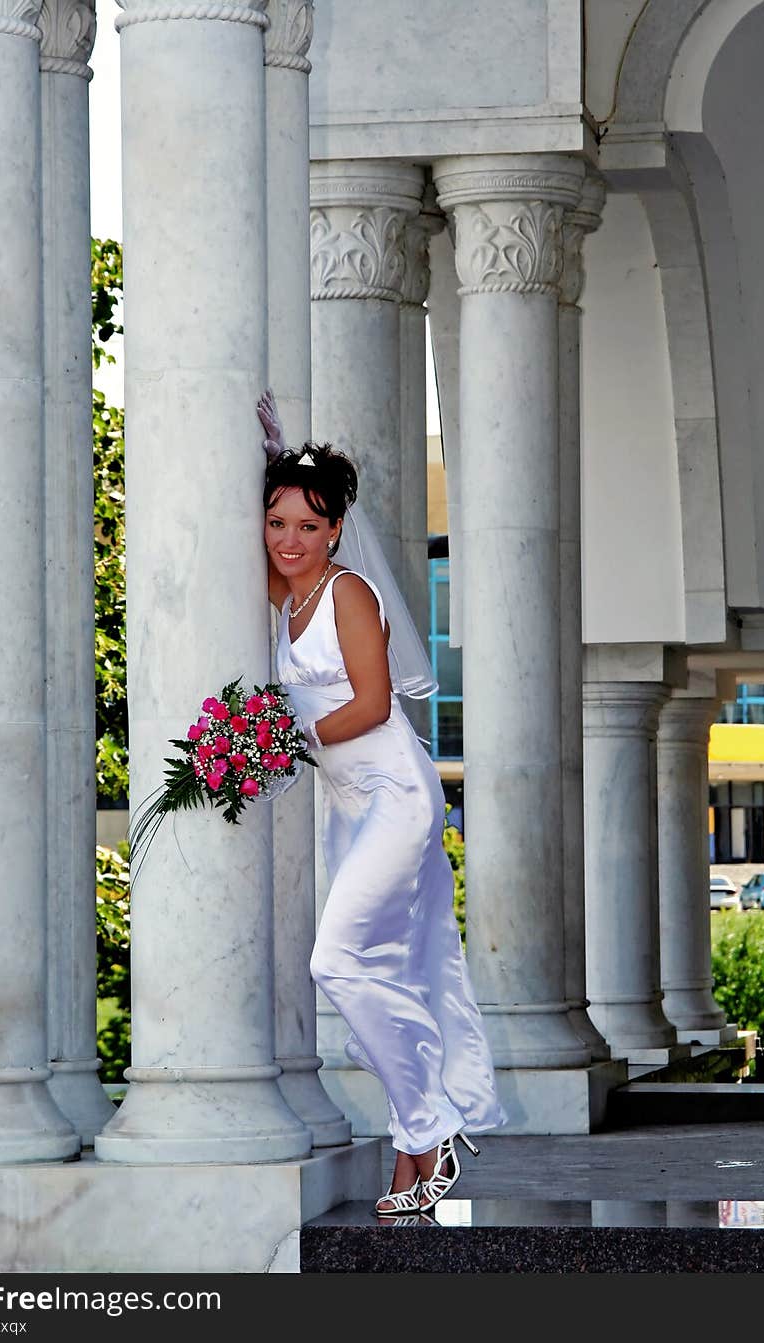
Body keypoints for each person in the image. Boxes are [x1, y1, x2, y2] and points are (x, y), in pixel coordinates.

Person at [258, 390, 506, 1217]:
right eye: (277, 522)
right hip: (347, 803)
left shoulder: (350, 593)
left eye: (307, 526)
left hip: (397, 794)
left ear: (335, 530)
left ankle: (427, 1123)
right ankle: (415, 1136)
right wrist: (273, 454)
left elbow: (369, 703)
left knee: (334, 960)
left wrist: (288, 740)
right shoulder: (284, 587)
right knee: (381, 965)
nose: (289, 540)